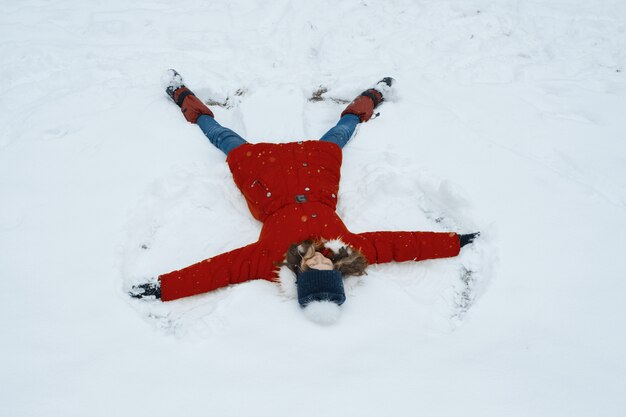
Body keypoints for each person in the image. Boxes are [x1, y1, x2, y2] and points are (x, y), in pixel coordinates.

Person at [130, 70, 479, 307]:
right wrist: (453, 242)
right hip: (315, 179)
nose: (317, 260)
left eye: (310, 269)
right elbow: (399, 244)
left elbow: (216, 271)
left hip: (266, 185)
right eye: (325, 268)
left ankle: (183, 95)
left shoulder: (270, 261)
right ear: (337, 272)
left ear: (298, 276)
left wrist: (164, 288)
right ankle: (372, 97)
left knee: (223, 138)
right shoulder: (351, 250)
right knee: (340, 135)